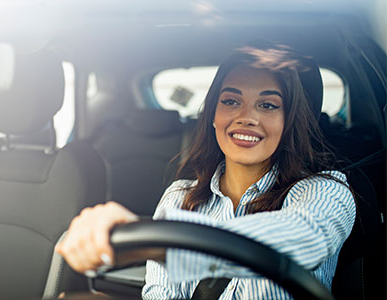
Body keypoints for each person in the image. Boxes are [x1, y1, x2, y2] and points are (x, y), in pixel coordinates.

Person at [56, 40, 355, 299]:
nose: (245, 117)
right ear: (213, 115)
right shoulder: (179, 198)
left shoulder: (326, 190)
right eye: (231, 101)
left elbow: (306, 238)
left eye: (268, 105)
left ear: (290, 121)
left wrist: (161, 244)